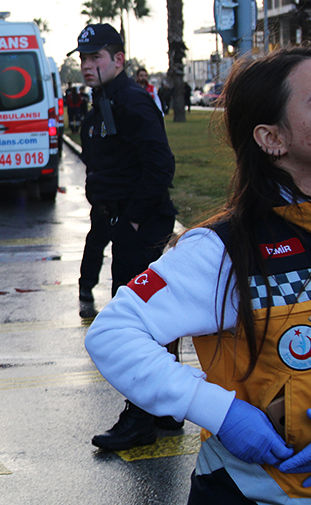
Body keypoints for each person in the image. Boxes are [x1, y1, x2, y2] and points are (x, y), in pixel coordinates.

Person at [85, 46, 311, 503]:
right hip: (255, 491)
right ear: (272, 138)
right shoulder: (224, 248)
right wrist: (219, 411)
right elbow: (113, 332)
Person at [70, 23, 180, 451]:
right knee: (157, 318)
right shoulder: (105, 101)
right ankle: (166, 405)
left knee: (135, 323)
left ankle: (139, 417)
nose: (88, 66)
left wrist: (133, 219)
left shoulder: (131, 100)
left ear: (118, 60)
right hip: (124, 224)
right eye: (83, 59)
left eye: (96, 58)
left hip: (142, 227)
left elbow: (160, 165)